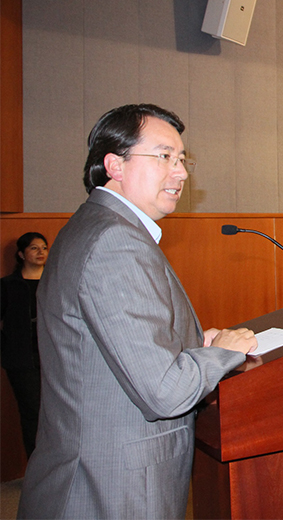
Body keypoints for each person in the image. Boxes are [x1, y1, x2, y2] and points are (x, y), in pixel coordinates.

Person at [18, 104, 257, 519]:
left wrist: (193, 345)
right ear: (115, 165)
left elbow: (108, 349)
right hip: (110, 488)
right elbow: (163, 392)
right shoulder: (114, 242)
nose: (181, 172)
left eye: (183, 159)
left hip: (105, 476)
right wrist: (225, 352)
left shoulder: (98, 227)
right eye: (165, 156)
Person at [0, 232, 48, 457]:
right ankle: (36, 469)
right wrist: (7, 349)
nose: (40, 252)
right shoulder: (8, 286)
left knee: (55, 414)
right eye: (34, 248)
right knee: (32, 414)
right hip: (22, 361)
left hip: (53, 359)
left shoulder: (54, 280)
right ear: (21, 254)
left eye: (44, 248)